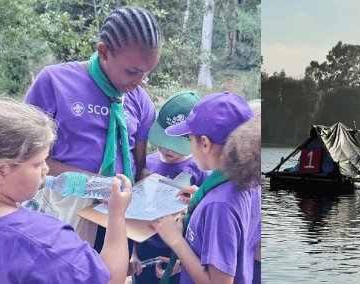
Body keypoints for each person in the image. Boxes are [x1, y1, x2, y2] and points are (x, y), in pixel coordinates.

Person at [23, 6, 161, 251]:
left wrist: (166, 192)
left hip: (114, 222)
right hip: (60, 214)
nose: (139, 82)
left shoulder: (141, 102)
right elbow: (25, 160)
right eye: (132, 71)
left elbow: (138, 170)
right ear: (104, 51)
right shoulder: (55, 83)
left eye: (146, 74)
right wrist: (98, 185)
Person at [0, 99, 133, 283]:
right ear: (0, 171)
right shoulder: (46, 240)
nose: (46, 169)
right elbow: (111, 279)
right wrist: (117, 215)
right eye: (38, 163)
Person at [150, 92, 259, 283]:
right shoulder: (247, 182)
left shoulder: (219, 205)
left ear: (205, 143)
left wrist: (175, 239)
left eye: (190, 139)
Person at [130, 91, 210, 284]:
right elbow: (134, 213)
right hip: (143, 250)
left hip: (179, 253)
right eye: (163, 142)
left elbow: (202, 227)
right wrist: (133, 253)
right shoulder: (144, 165)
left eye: (176, 144)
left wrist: (182, 262)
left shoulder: (202, 173)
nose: (167, 149)